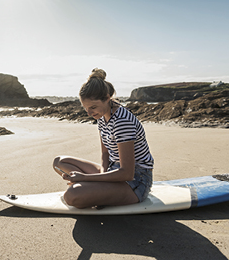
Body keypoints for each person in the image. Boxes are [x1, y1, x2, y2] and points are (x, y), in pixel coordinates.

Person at [53, 68, 154, 209]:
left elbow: (127, 173)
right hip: (113, 170)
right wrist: (101, 176)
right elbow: (105, 154)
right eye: (86, 108)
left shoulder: (122, 121)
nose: (89, 113)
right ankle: (98, 191)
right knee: (59, 162)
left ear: (107, 98)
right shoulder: (101, 116)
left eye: (93, 107)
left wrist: (84, 178)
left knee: (71, 196)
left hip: (136, 181)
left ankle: (94, 192)